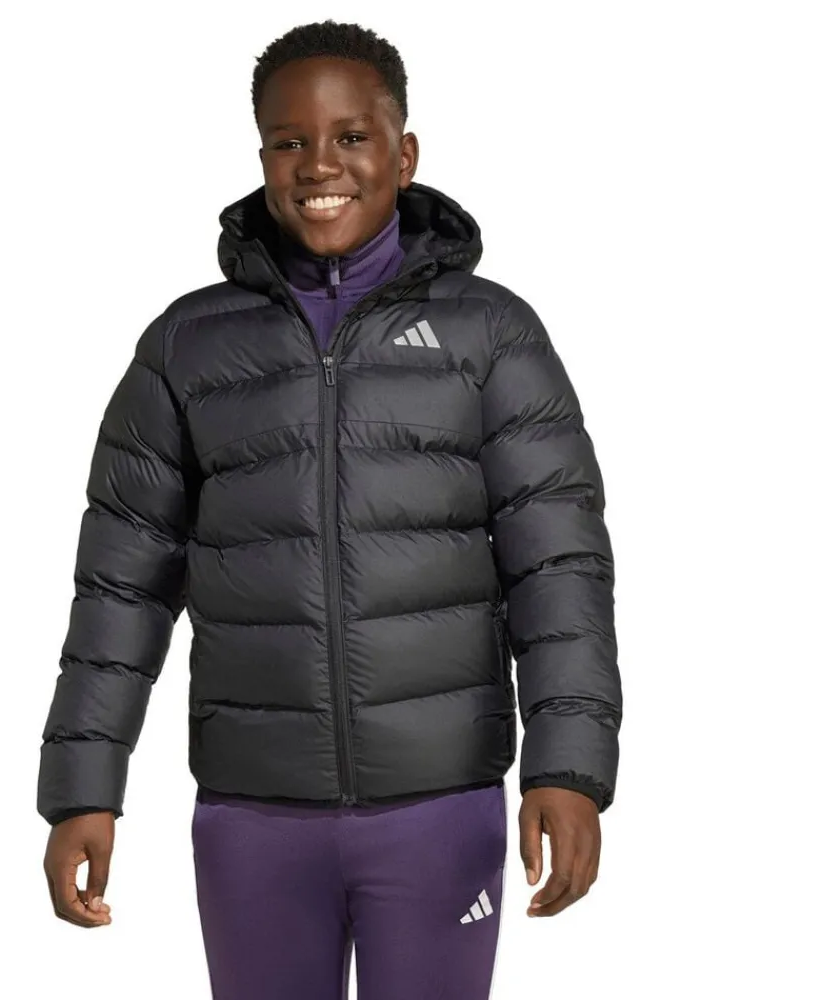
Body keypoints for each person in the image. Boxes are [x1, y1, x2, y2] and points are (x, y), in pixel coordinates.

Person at [38, 19, 622, 999]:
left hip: (438, 809)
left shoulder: (491, 336)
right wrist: (81, 791)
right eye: (288, 141)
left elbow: (557, 568)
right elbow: (119, 589)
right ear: (261, 154)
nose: (319, 165)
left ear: (404, 153)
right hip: (253, 815)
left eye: (351, 136)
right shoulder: (187, 347)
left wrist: (567, 768)